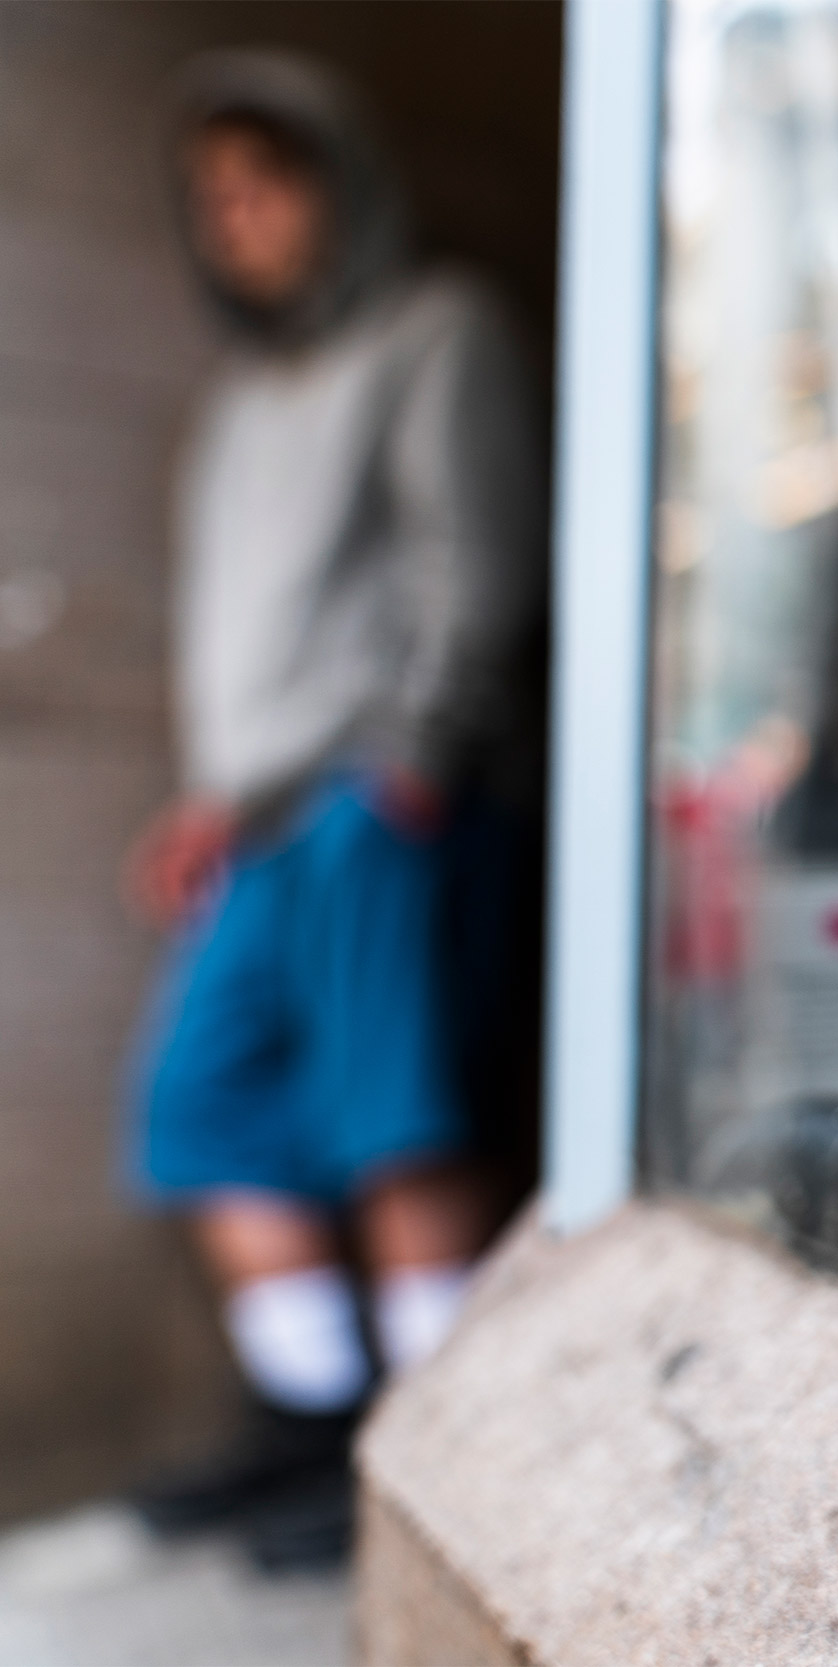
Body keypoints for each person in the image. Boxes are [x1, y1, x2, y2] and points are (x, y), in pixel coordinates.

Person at [121, 51, 543, 1571]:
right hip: (258, 821)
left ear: (340, 177)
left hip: (385, 796)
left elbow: (476, 554)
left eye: (264, 182)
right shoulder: (239, 404)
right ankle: (321, 1426)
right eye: (211, 200)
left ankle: (437, 1462)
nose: (236, 220)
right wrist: (210, 800)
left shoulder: (437, 331)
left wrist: (418, 749)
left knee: (396, 1122)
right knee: (205, 1106)